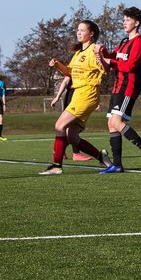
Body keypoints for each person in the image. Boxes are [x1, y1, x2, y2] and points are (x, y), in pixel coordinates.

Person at [40, 20, 108, 175]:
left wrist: (101, 58)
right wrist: (57, 64)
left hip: (87, 94)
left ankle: (56, 165)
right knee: (71, 137)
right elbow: (69, 73)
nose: (78, 33)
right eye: (77, 30)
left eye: (82, 30)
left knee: (59, 126)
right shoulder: (78, 53)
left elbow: (106, 69)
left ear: (91, 34)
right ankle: (101, 157)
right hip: (79, 94)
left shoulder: (94, 50)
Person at [101, 6, 141, 173]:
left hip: (128, 87)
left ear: (137, 23)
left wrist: (109, 61)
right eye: (123, 19)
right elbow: (113, 58)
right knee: (111, 125)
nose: (124, 22)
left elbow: (130, 65)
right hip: (117, 87)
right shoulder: (124, 42)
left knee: (117, 122)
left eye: (128, 20)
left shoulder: (139, 42)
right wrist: (102, 51)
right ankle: (117, 165)